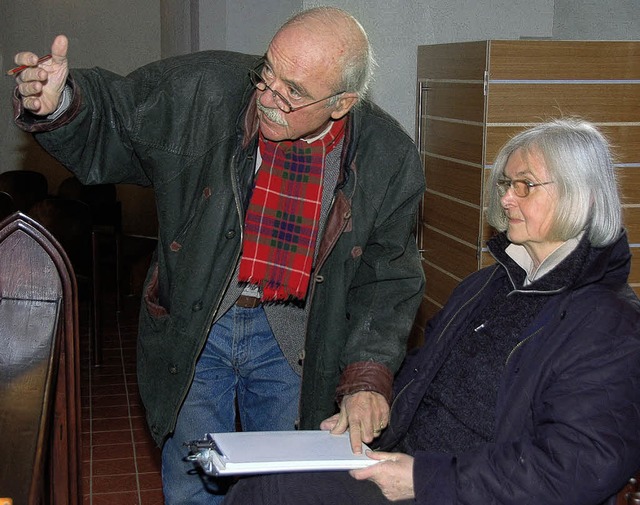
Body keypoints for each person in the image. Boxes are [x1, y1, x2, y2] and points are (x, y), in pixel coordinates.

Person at [11, 6, 425, 504]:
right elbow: (119, 111)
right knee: (191, 477)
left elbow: (389, 279)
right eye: (268, 71)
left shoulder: (389, 157)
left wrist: (367, 375)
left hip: (297, 339)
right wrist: (61, 102)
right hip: (198, 322)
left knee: (283, 485)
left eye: (293, 91)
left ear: (342, 103)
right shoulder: (204, 89)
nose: (269, 97)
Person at [223, 118, 640, 505]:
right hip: (412, 465)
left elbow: (579, 467)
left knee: (271, 491)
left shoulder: (610, 324)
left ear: (578, 194)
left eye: (525, 185)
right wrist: (369, 406)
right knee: (260, 480)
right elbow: (422, 376)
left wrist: (425, 478)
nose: (507, 197)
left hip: (458, 489)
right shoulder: (488, 285)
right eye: (505, 184)